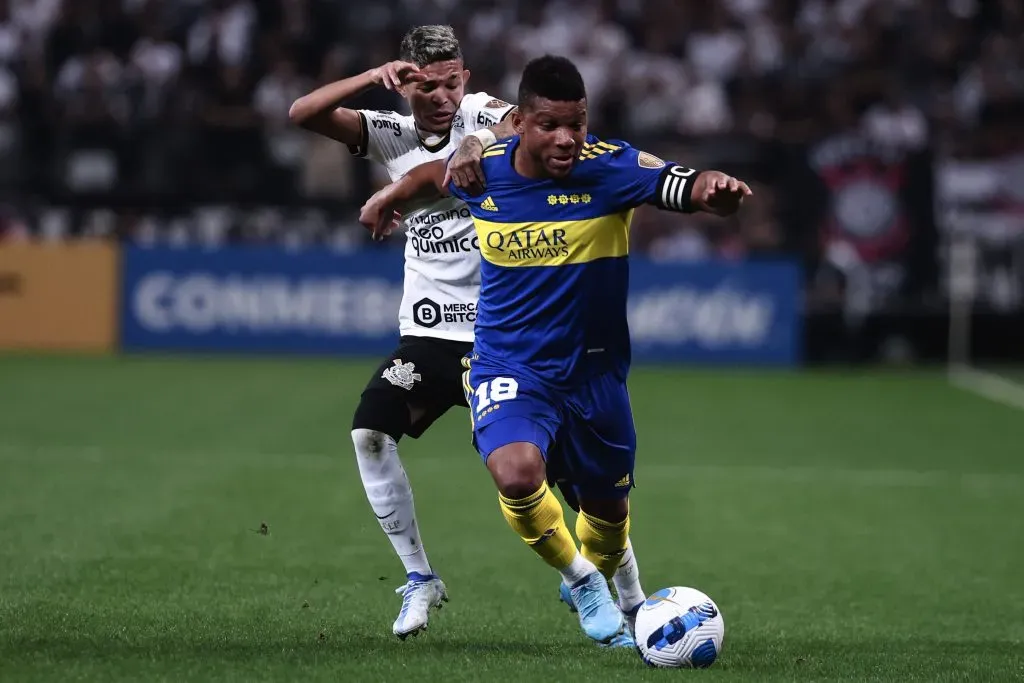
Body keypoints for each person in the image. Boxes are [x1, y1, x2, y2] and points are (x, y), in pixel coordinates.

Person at [358, 54, 751, 644]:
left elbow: (682, 183)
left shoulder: (612, 167)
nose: (568, 139)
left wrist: (712, 190)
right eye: (550, 125)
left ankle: (603, 577)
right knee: (516, 475)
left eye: (578, 123)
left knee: (609, 525)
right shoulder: (481, 169)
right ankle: (582, 578)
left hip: (595, 376)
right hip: (508, 364)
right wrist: (390, 197)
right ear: (520, 123)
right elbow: (431, 177)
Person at [288, 25, 518, 640]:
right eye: (425, 86)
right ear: (405, 84)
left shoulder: (484, 113)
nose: (440, 97)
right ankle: (421, 578)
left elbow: (530, 123)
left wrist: (469, 146)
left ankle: (589, 580)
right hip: (430, 331)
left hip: (501, 330)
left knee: (527, 467)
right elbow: (302, 112)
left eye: (450, 82)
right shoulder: (389, 131)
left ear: (464, 77)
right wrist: (370, 77)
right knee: (369, 432)